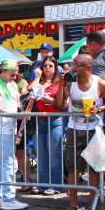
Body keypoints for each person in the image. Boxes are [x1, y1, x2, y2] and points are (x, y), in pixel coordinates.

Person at [54, 53, 105, 210]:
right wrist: (60, 86)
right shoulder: (70, 83)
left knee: (94, 169)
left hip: (93, 130)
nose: (73, 68)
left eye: (77, 65)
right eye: (73, 65)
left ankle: (92, 209)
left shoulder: (100, 83)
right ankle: (73, 207)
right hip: (74, 128)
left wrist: (100, 109)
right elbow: (59, 104)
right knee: (73, 169)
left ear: (88, 68)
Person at [0, 59, 28, 210]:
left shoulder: (10, 84)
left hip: (10, 128)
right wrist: (17, 115)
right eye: (12, 74)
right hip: (2, 128)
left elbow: (16, 102)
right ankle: (8, 199)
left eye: (16, 73)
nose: (15, 76)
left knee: (6, 163)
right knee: (9, 164)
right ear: (3, 71)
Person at [27, 55, 64, 196]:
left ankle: (56, 185)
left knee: (55, 154)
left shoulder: (59, 83)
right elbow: (26, 92)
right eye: (45, 65)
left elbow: (63, 104)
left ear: (55, 68)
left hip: (54, 120)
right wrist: (37, 78)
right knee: (41, 155)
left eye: (50, 66)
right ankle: (42, 184)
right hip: (39, 120)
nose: (47, 68)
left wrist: (50, 100)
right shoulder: (38, 81)